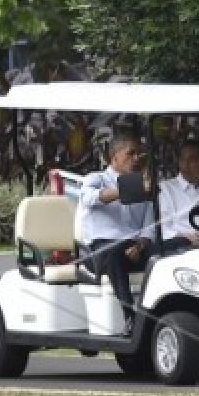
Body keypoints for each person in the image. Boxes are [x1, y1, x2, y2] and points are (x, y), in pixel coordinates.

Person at [79, 131, 155, 335]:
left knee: (171, 249)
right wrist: (130, 188)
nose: (136, 158)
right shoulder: (96, 179)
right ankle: (130, 317)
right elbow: (91, 199)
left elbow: (149, 225)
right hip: (97, 252)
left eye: (139, 154)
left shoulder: (143, 185)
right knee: (114, 251)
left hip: (133, 249)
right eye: (131, 154)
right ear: (114, 157)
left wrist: (141, 245)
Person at [157, 139, 199, 253]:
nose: (185, 164)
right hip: (180, 246)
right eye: (182, 159)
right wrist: (186, 237)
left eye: (192, 159)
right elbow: (163, 227)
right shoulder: (165, 188)